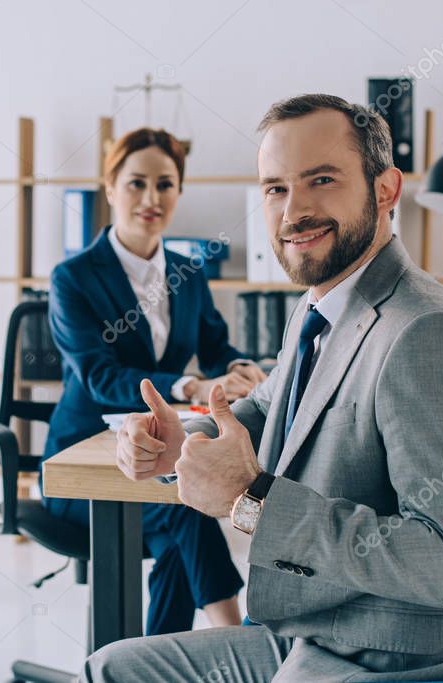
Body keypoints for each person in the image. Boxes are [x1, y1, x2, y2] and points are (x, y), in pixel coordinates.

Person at [84, 95, 443, 681]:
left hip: (397, 653)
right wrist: (182, 443)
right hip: (312, 629)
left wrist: (253, 501)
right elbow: (268, 409)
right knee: (110, 669)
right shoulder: (320, 305)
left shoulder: (429, 334)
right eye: (275, 188)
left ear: (386, 189)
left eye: (321, 179)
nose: (293, 211)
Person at [43, 127, 266, 635]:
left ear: (179, 192)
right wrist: (188, 387)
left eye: (165, 185)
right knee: (184, 509)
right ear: (110, 188)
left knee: (178, 536)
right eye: (137, 183)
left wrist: (237, 369)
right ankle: (233, 640)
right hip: (84, 464)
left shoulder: (188, 272)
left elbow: (217, 349)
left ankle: (154, 663)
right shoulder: (73, 277)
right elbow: (101, 376)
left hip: (153, 459)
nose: (151, 198)